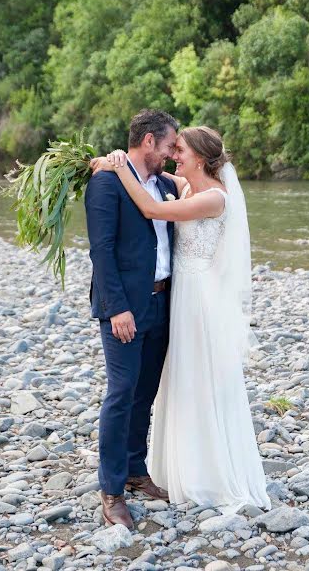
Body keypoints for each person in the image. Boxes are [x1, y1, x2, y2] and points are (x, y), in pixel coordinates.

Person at [92, 125, 271, 512]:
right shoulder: (185, 185)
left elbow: (152, 208)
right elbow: (155, 177)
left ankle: (208, 471)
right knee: (164, 385)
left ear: (202, 158)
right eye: (173, 147)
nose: (175, 154)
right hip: (178, 298)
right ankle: (131, 480)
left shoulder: (212, 198)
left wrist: (120, 166)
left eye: (182, 150)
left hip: (199, 301)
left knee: (200, 381)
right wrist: (109, 161)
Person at [85, 109, 179, 529]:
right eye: (169, 146)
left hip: (162, 303)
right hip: (125, 308)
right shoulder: (106, 182)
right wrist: (117, 307)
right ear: (147, 142)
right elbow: (101, 250)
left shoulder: (161, 184)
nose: (172, 153)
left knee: (145, 392)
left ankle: (137, 472)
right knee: (121, 393)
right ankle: (112, 491)